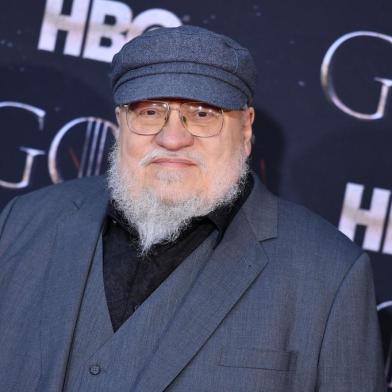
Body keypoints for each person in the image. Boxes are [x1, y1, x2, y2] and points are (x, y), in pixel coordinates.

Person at [0, 25, 386, 392]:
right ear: (121, 120)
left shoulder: (329, 275)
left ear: (247, 128)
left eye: (203, 113)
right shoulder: (23, 223)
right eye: (150, 111)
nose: (172, 137)